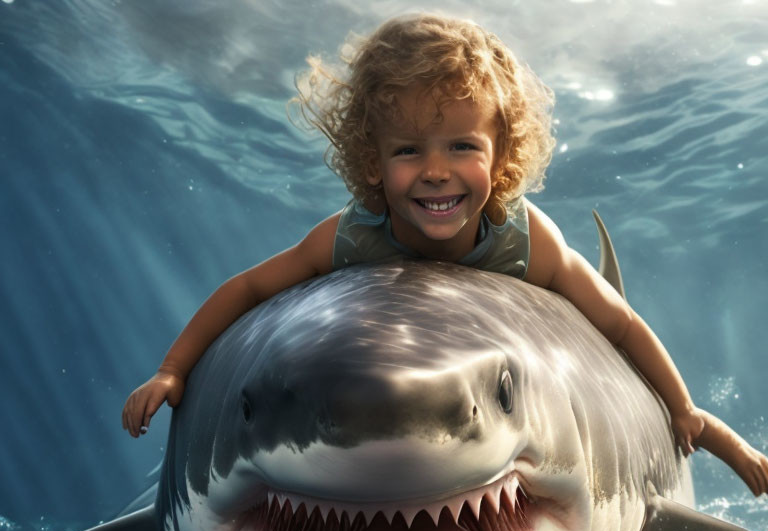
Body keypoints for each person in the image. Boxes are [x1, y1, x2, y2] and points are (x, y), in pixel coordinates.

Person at [122, 13, 768, 495]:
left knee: (676, 410)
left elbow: (621, 325)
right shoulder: (349, 236)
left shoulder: (527, 240)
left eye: (461, 147)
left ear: (501, 156)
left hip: (536, 390)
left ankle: (720, 436)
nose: (435, 171)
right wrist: (173, 370)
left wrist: (680, 408)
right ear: (371, 164)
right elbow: (247, 290)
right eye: (408, 151)